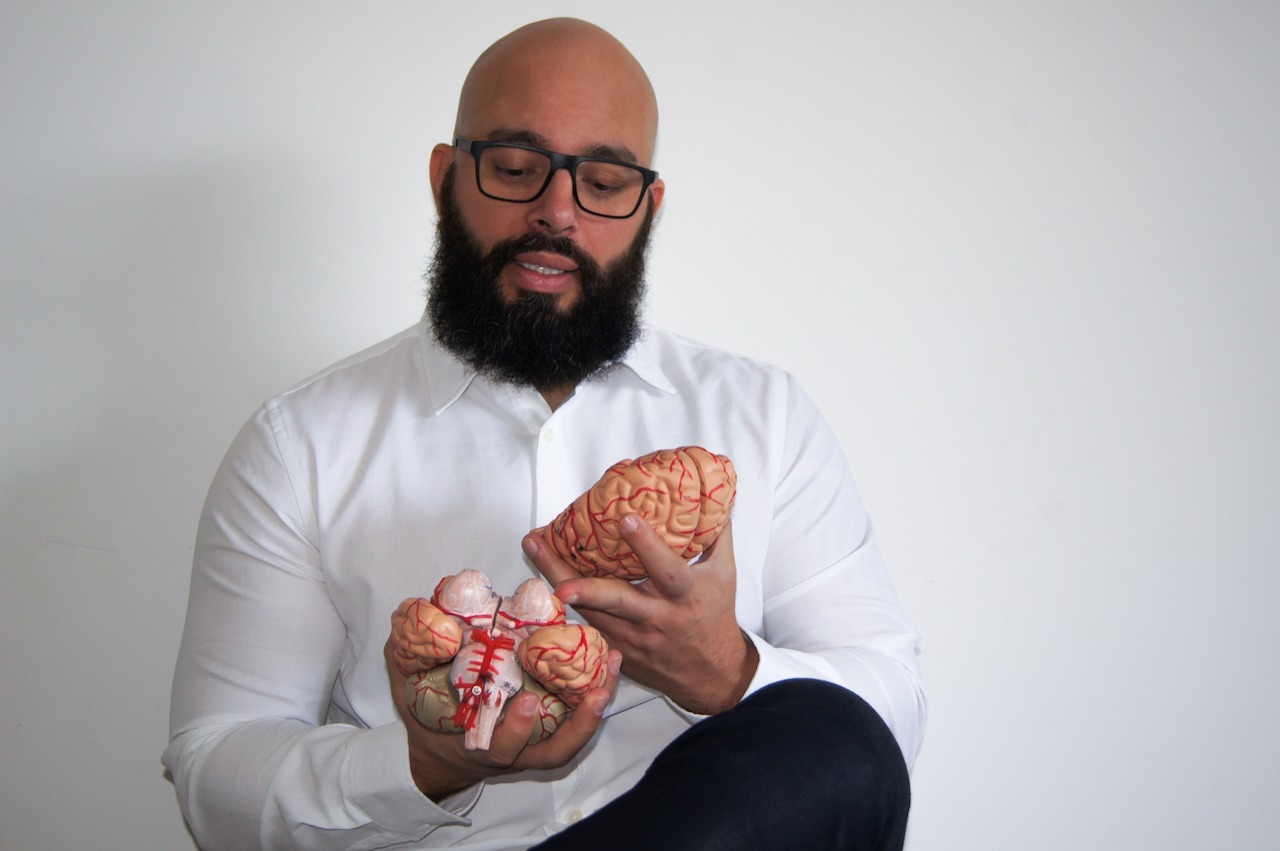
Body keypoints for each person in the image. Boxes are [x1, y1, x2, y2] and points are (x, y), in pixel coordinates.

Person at [164, 17, 925, 850]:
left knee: (837, 748)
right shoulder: (300, 445)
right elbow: (214, 770)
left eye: (603, 181)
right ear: (446, 178)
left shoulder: (763, 415)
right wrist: (420, 763)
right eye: (516, 168)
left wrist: (729, 671)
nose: (556, 212)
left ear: (648, 208)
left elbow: (886, 711)